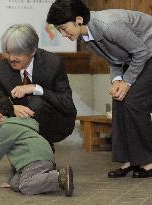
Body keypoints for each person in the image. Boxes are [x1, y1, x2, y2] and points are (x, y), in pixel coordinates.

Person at [47, 0, 152, 178]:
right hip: (137, 56)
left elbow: (141, 52)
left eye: (64, 29)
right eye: (59, 31)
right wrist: (117, 80)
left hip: (147, 52)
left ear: (78, 20)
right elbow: (115, 58)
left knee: (134, 101)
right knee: (119, 98)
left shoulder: (108, 26)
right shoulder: (86, 36)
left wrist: (126, 82)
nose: (63, 35)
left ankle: (148, 160)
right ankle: (131, 159)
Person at [0, 24, 77, 152]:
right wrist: (12, 108)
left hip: (55, 121)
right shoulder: (0, 68)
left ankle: (43, 151)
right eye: (8, 52)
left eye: (18, 53)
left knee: (36, 103)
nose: (12, 58)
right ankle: (22, 154)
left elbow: (67, 104)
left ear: (32, 51)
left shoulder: (52, 63)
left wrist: (36, 88)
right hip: (19, 125)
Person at [0, 96, 74, 196]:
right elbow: (16, 160)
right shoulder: (17, 125)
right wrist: (10, 182)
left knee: (25, 186)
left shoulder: (5, 128)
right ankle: (45, 178)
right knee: (15, 183)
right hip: (40, 159)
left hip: (35, 160)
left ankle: (59, 177)